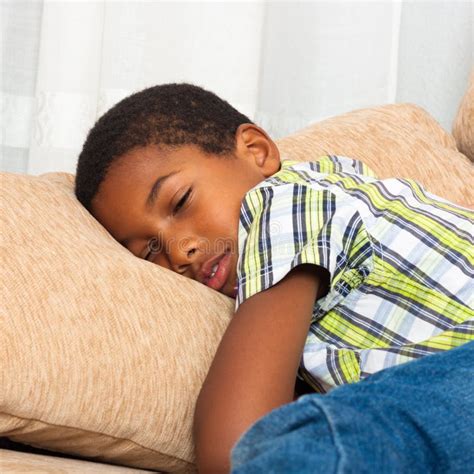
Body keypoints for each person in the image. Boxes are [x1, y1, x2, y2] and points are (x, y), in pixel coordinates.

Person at [74, 83, 473, 473]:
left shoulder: (284, 204)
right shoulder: (345, 195)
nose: (179, 251)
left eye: (180, 202)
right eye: (150, 251)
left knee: (309, 446)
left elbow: (234, 446)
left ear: (256, 152)